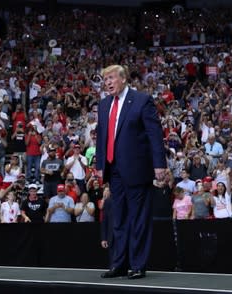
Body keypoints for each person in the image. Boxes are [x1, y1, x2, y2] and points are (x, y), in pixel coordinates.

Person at [96, 65, 166, 279]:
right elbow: (101, 136)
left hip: (137, 169)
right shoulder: (104, 104)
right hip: (113, 169)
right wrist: (100, 166)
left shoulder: (141, 100)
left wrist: (159, 164)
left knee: (138, 219)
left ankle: (137, 265)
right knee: (119, 219)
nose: (107, 82)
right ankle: (119, 264)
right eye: (104, 79)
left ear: (123, 79)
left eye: (111, 78)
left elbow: (154, 134)